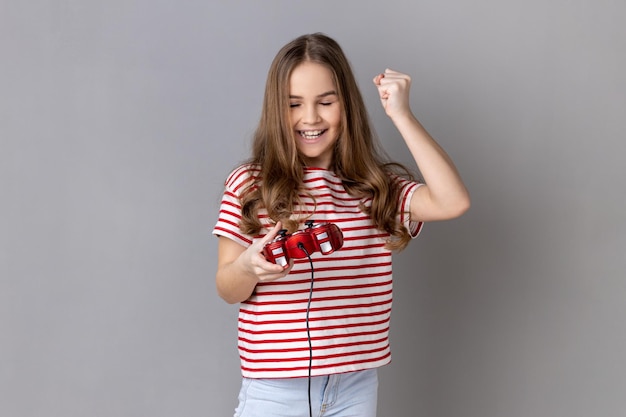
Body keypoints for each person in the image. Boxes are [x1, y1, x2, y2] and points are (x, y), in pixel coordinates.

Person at [213, 33, 470, 417]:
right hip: (275, 388)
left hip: (354, 384)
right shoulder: (251, 183)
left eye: (326, 102)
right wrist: (248, 268)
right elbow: (227, 288)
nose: (311, 117)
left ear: (346, 105)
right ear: (275, 110)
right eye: (294, 104)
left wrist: (401, 114)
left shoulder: (376, 188)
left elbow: (453, 201)